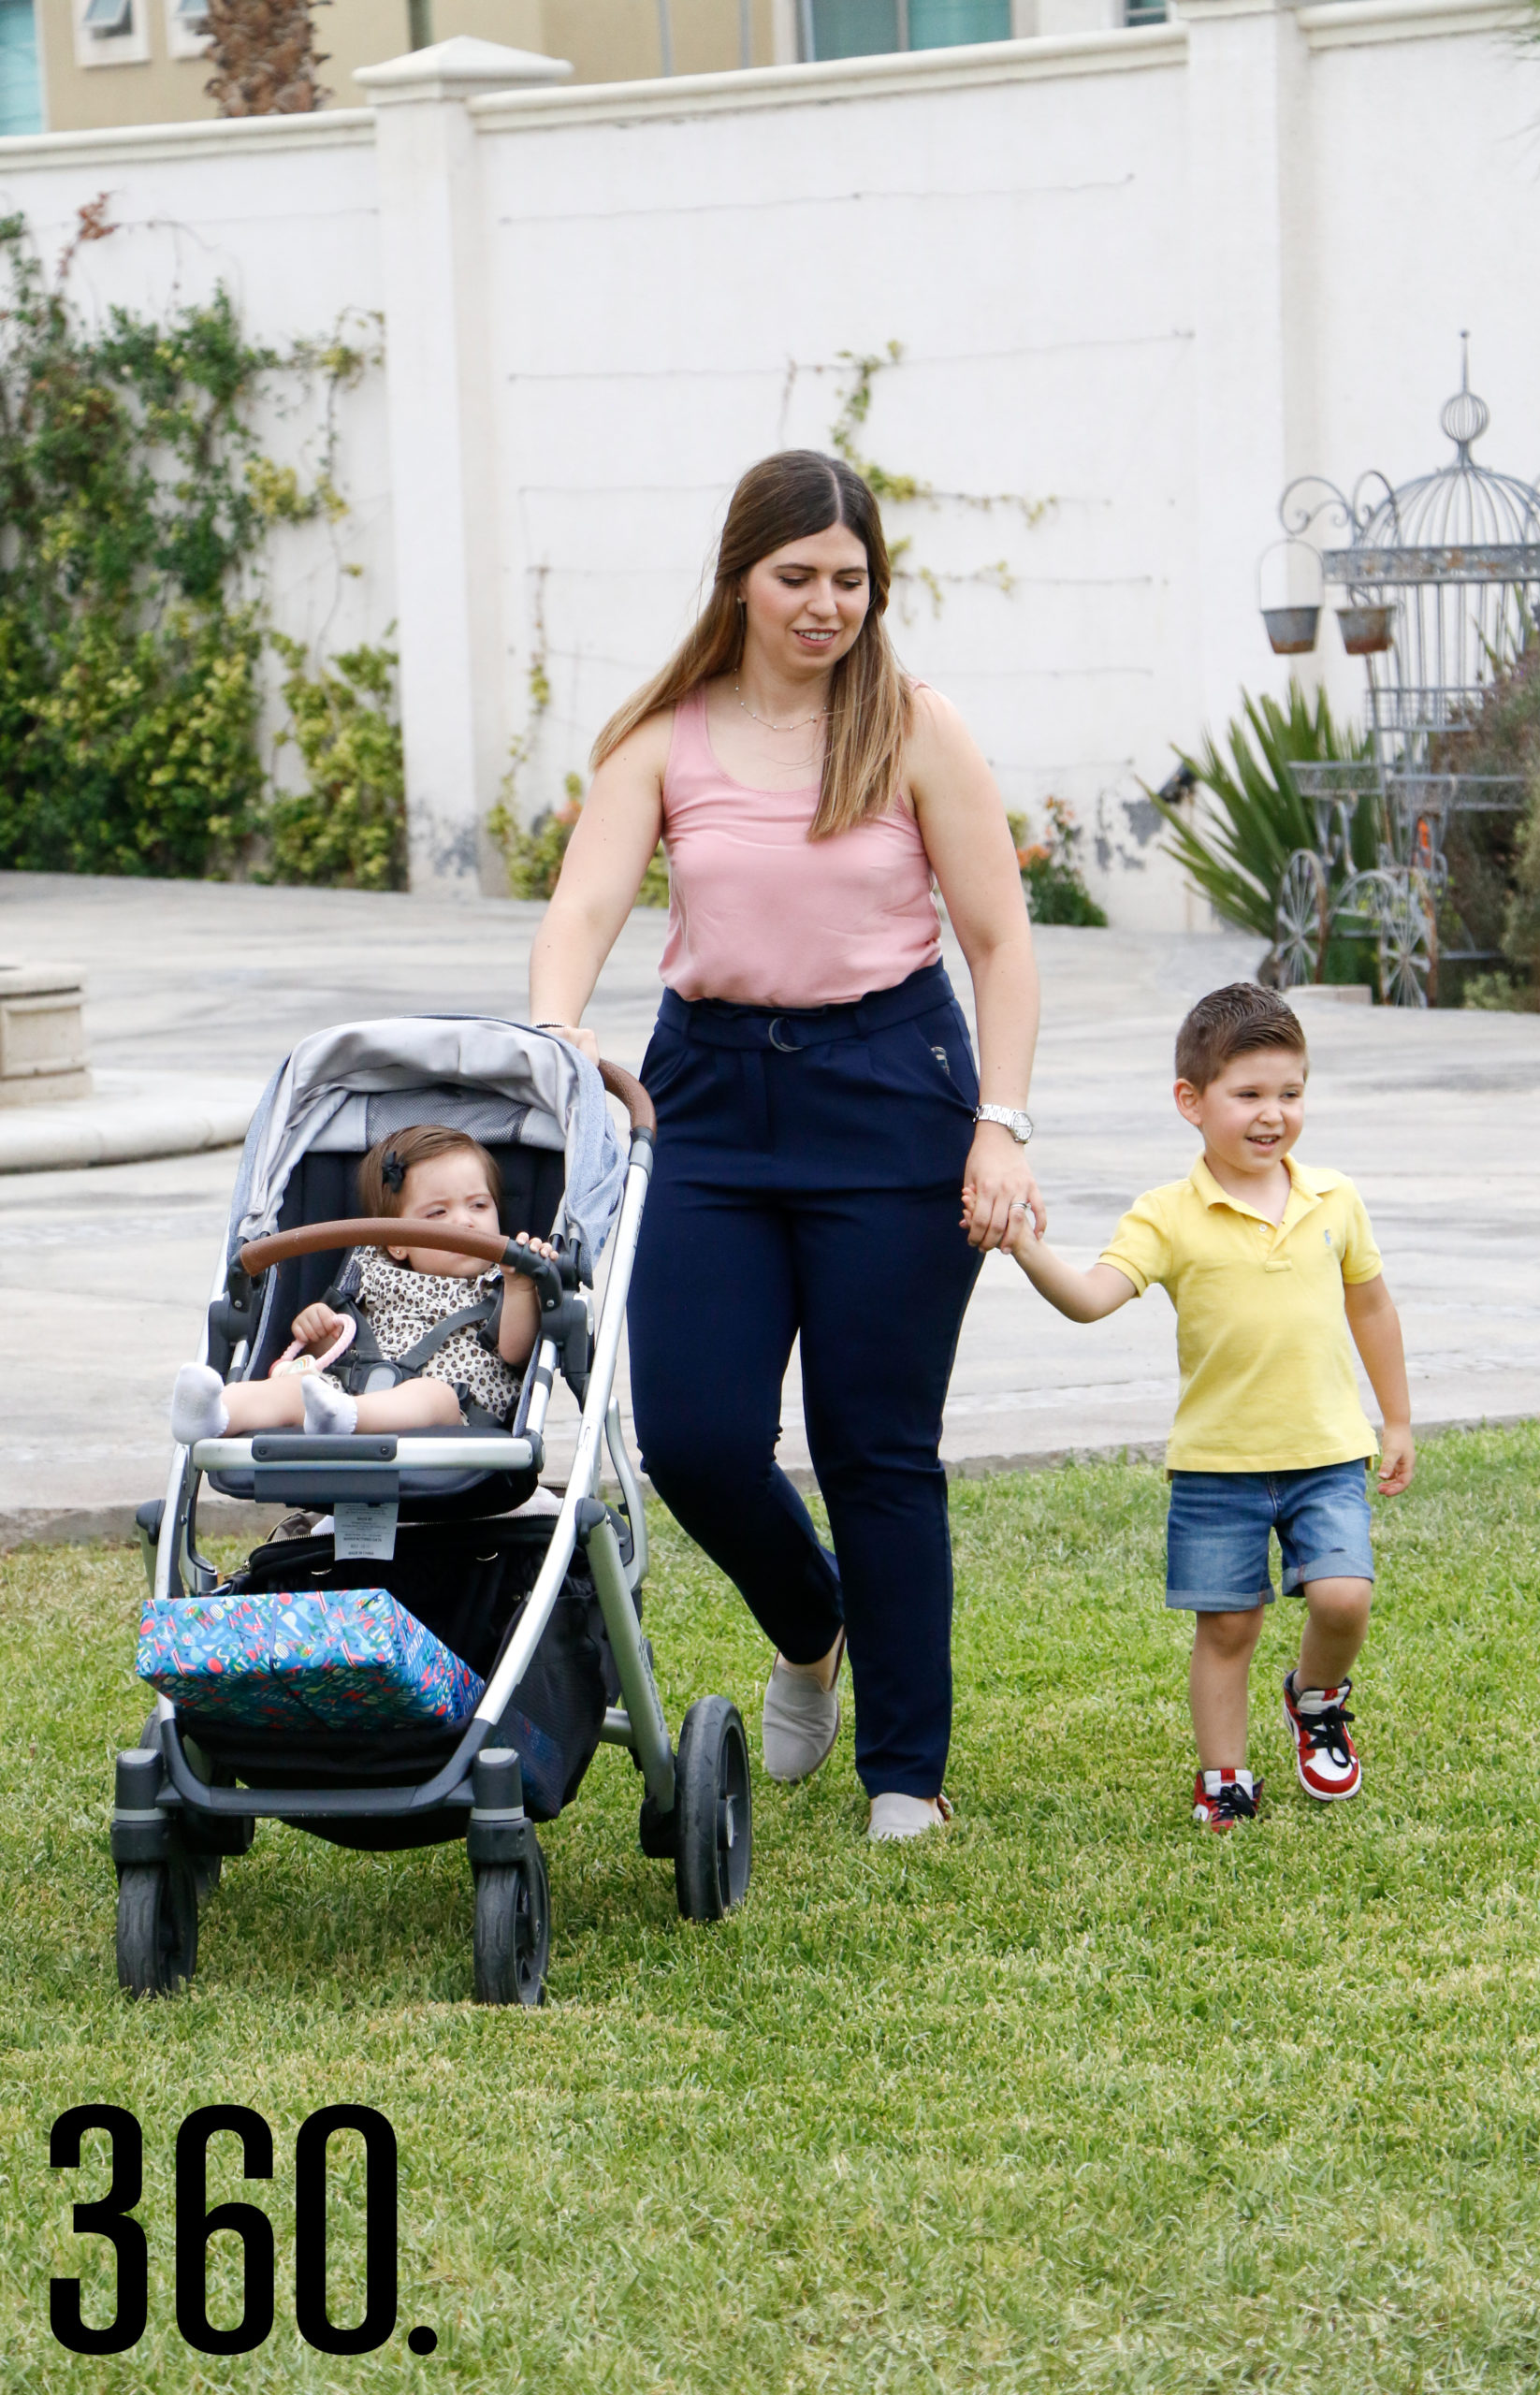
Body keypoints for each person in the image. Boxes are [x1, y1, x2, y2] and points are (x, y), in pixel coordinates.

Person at [528, 449, 1042, 1841]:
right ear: (739, 579)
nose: (824, 605)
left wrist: (998, 1124)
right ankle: (811, 1630)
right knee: (693, 1436)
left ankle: (904, 1775)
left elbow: (997, 943)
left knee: (876, 1446)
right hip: (709, 1097)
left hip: (893, 1092)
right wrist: (554, 1028)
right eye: (795, 578)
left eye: (849, 581)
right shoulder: (664, 734)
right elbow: (582, 908)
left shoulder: (914, 726)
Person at [1000, 982, 1413, 1833]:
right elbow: (1088, 1298)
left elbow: (1369, 1307)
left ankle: (1316, 1700)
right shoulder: (1165, 1215)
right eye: (1249, 1095)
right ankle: (1224, 1779)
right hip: (1216, 1467)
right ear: (1190, 1101)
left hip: (1326, 1453)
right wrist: (1025, 1246)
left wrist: (1396, 1419)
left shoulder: (1333, 1200)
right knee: (1227, 1629)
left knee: (1342, 1599)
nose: (1273, 1116)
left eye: (1290, 1094)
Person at [169, 1125, 549, 1443]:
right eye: (438, 1212)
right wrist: (320, 1331)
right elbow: (344, 1342)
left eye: (479, 1206)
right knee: (295, 1387)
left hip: (454, 1408)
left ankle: (346, 1417)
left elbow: (516, 1353)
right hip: (349, 1389)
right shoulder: (369, 1269)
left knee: (430, 1395)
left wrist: (520, 1285)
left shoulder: (504, 1275)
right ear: (396, 1242)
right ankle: (214, 1414)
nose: (465, 1222)